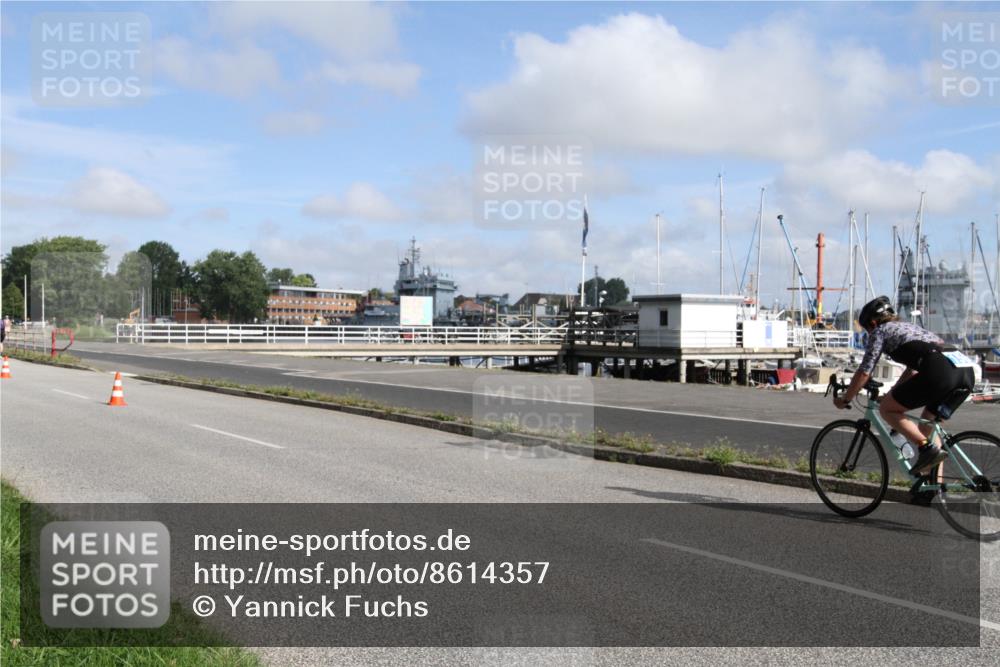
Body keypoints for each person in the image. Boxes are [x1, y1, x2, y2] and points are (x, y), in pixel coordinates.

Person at [832, 296, 975, 476]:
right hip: (965, 373)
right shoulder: (909, 328)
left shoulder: (880, 331)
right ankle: (933, 490)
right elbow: (912, 371)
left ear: (873, 323)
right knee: (927, 429)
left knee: (887, 410)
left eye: (867, 330)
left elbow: (865, 371)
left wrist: (846, 398)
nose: (869, 334)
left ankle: (925, 449)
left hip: (941, 372)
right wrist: (893, 393)